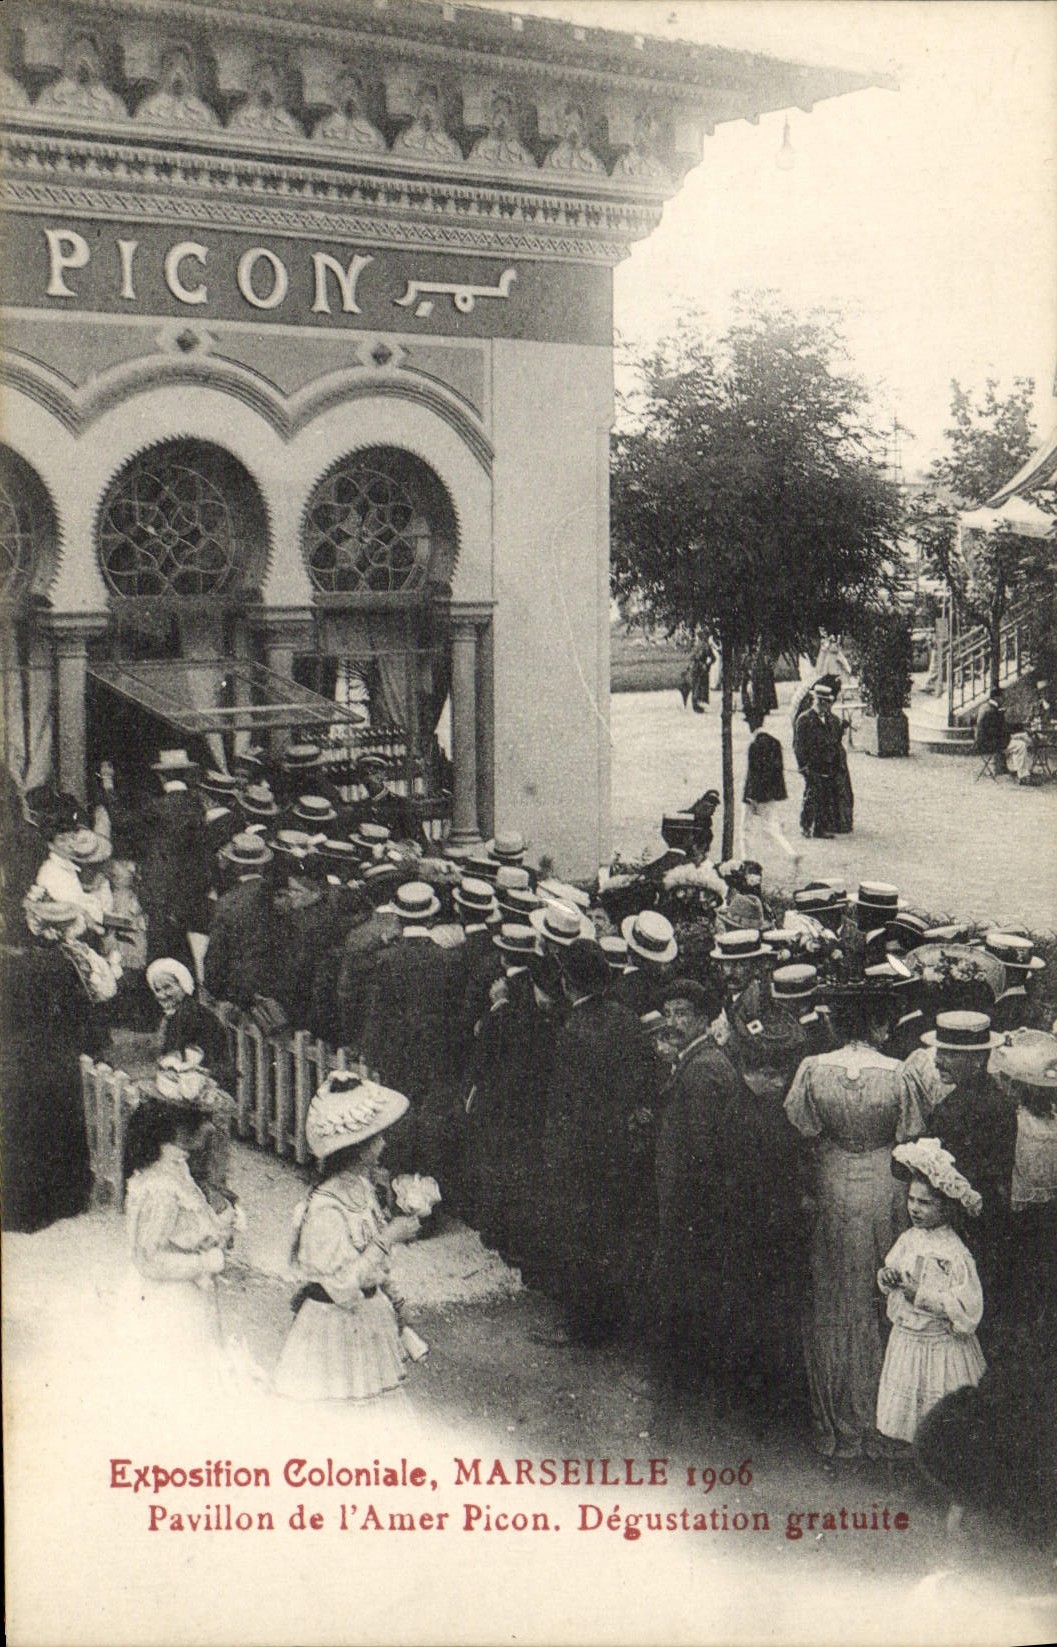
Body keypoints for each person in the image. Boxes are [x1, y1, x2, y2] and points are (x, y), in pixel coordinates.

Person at [784, 982, 916, 1461]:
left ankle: (836, 1420)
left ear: (838, 1022)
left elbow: (803, 1127)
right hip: (885, 1184)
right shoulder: (899, 1073)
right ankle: (880, 1420)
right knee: (877, 1294)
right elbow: (909, 1133)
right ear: (879, 1024)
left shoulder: (813, 1069)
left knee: (834, 1295)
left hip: (833, 1179)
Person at [274, 1073, 423, 1402]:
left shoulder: (362, 1188)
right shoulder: (326, 1207)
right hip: (334, 1328)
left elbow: (375, 1266)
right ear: (357, 1148)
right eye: (376, 1138)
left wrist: (397, 1303)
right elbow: (340, 1287)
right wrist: (387, 1238)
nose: (383, 1144)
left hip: (369, 1317)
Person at [121, 1086, 240, 1395]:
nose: (210, 1128)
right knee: (177, 1383)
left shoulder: (176, 1166)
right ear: (174, 1128)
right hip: (167, 1300)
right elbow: (148, 1259)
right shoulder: (160, 1185)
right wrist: (204, 1262)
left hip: (185, 1290)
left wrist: (219, 1224)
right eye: (201, 1120)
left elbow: (184, 1226)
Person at [876, 1139, 986, 1446]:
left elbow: (967, 1310)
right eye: (912, 1199)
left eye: (925, 1203)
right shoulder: (910, 1239)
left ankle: (941, 1467)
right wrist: (887, 1276)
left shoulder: (955, 1252)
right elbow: (890, 1274)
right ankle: (919, 1463)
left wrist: (920, 1295)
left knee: (943, 1419)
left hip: (941, 1347)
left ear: (946, 1207)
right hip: (911, 1340)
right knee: (912, 1414)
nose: (914, 1208)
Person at [147, 957, 234, 1093]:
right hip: (190, 1071)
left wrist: (171, 1067)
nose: (163, 994)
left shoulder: (188, 1013)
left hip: (208, 1075)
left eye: (168, 987)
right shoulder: (177, 1012)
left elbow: (177, 1051)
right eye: (158, 990)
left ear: (182, 985)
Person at [738, 709, 801, 877]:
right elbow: (777, 770)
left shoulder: (754, 745)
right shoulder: (775, 742)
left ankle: (746, 861)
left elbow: (752, 773)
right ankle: (790, 853)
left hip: (754, 794)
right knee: (772, 829)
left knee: (745, 830)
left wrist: (750, 795)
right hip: (770, 793)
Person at [792, 682, 845, 839]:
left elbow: (834, 740)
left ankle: (820, 828)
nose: (827, 706)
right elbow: (798, 746)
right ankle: (806, 825)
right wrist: (803, 766)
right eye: (824, 702)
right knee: (812, 794)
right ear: (817, 702)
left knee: (826, 795)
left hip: (828, 764)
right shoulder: (804, 719)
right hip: (812, 764)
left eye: (828, 703)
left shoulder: (831, 719)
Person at [974, 689, 1009, 773]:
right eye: (1002, 697)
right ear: (997, 698)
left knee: (1014, 740)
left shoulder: (984, 706)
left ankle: (1001, 767)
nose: (1004, 699)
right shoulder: (992, 711)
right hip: (988, 743)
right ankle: (1023, 774)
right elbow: (996, 731)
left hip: (979, 740)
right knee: (1020, 745)